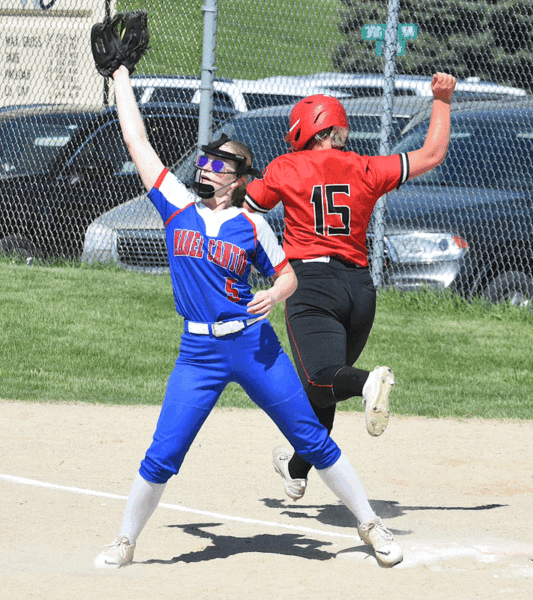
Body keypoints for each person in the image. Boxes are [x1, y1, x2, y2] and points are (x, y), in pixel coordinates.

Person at [93, 64, 404, 569]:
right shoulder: (176, 206)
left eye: (217, 164)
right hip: (199, 353)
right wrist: (122, 76)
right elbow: (137, 141)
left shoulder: (251, 225)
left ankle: (370, 524)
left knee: (310, 436)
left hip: (254, 347)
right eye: (204, 161)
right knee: (163, 453)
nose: (205, 168)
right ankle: (126, 540)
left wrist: (276, 295)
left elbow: (287, 276)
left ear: (238, 180)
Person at [244, 73, 457, 501]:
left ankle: (368, 384)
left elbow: (246, 209)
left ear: (307, 131)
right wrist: (442, 99)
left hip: (312, 285)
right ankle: (296, 467)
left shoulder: (286, 166)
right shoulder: (367, 167)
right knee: (322, 390)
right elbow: (432, 154)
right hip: (361, 290)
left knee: (325, 380)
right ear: (339, 131)